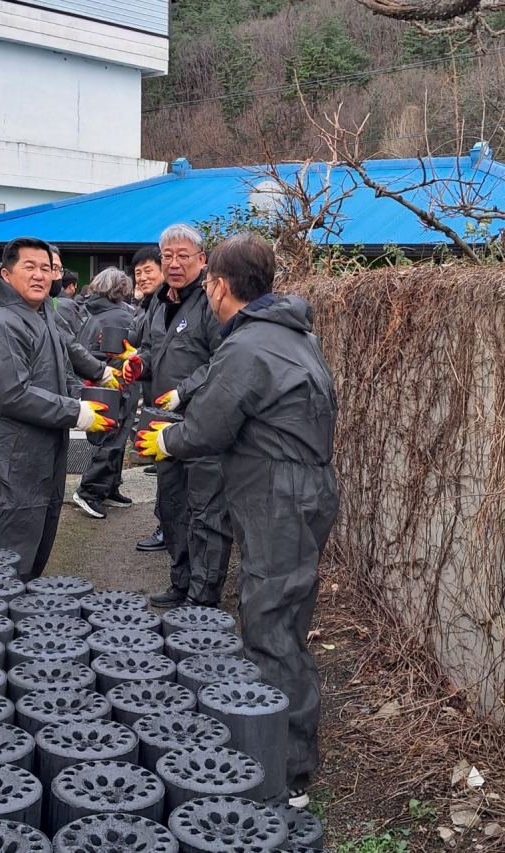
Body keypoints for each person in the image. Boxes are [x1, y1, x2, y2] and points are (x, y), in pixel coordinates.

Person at [136, 233, 339, 808]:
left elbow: (211, 428)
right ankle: (284, 745)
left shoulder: (248, 345)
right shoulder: (290, 334)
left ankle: (285, 773)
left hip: (280, 495)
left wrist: (167, 441)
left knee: (270, 627)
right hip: (301, 490)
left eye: (208, 283)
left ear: (219, 286)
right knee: (284, 617)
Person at [0, 237, 115, 583]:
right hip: (7, 459)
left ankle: (24, 629)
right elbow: (13, 394)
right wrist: (75, 411)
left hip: (44, 455)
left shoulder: (44, 316)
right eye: (29, 267)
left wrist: (91, 400)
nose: (39, 275)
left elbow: (59, 375)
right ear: (5, 274)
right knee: (6, 566)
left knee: (35, 555)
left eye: (46, 268)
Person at [124, 224, 232, 608]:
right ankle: (180, 581)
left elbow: (224, 361)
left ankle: (204, 597)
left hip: (202, 424)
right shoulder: (158, 301)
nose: (173, 263)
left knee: (205, 511)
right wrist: (140, 365)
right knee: (171, 506)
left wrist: (183, 391)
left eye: (182, 256)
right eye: (166, 256)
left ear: (202, 260)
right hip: (162, 425)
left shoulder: (211, 303)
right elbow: (154, 349)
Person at [72, 267, 137, 519]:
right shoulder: (122, 315)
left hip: (95, 380)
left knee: (109, 437)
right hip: (118, 381)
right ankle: (90, 490)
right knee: (114, 440)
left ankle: (109, 487)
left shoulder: (91, 311)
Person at [129, 245, 166, 552]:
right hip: (153, 392)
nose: (141, 277)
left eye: (147, 270)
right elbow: (148, 345)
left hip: (168, 397)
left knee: (170, 472)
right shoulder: (149, 304)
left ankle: (167, 528)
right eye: (137, 272)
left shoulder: (166, 303)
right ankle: (166, 525)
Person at [50, 249, 121, 390]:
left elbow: (69, 344)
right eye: (52, 268)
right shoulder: (7, 317)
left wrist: (99, 372)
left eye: (59, 270)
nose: (56, 276)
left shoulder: (47, 307)